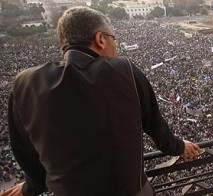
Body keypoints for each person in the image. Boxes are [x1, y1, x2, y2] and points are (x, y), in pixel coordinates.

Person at [4, 6, 201, 196]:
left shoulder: (25, 83)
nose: (116, 46)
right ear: (100, 39)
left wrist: (32, 186)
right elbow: (158, 130)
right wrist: (179, 147)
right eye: (113, 38)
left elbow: (26, 154)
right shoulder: (124, 70)